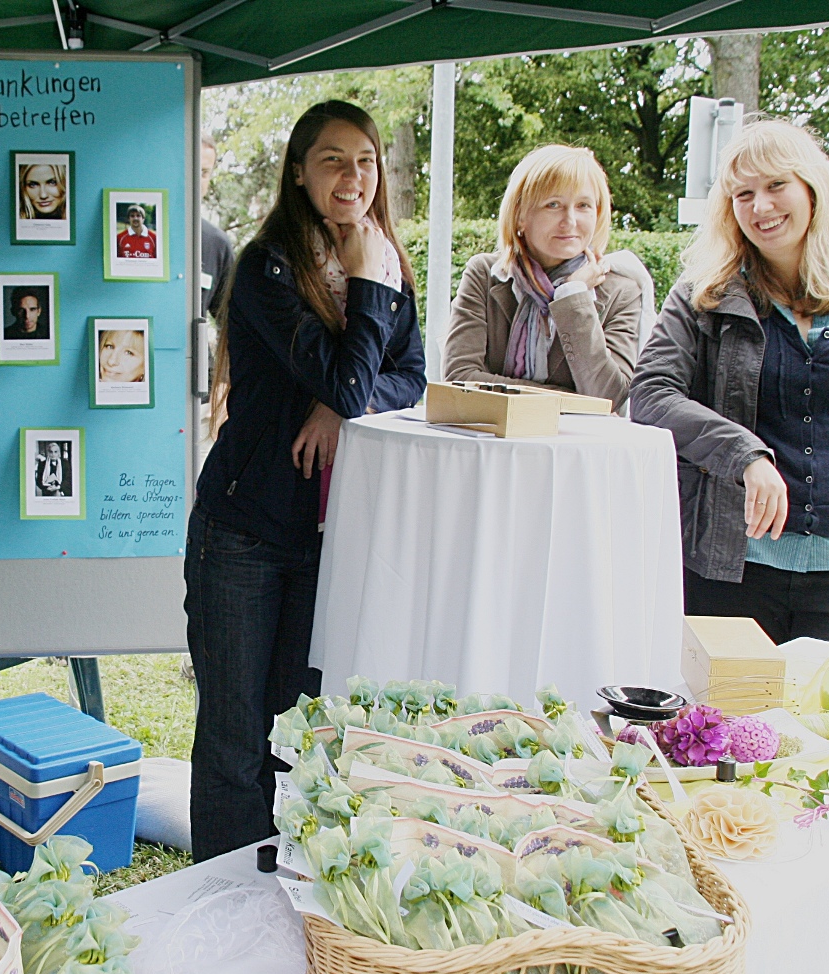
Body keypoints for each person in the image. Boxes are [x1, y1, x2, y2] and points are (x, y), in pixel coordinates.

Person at [186, 100, 425, 862]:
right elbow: (356, 382)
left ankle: (276, 887)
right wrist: (344, 379)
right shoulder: (269, 267)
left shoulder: (386, 261)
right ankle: (222, 898)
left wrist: (333, 403)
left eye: (365, 160)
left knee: (296, 729)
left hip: (328, 538)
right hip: (244, 533)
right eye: (332, 160)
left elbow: (410, 378)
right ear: (298, 172)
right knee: (233, 738)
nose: (352, 176)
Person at [631, 119, 829, 643]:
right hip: (732, 569)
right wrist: (745, 456)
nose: (760, 207)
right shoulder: (702, 296)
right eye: (743, 194)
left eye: (776, 185)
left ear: (813, 190)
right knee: (724, 724)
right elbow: (649, 394)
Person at [442, 144, 642, 407]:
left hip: (573, 446)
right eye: (553, 204)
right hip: (491, 440)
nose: (570, 220)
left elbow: (608, 397)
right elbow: (460, 379)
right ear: (520, 216)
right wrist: (570, 399)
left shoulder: (620, 291)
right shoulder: (485, 275)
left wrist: (573, 297)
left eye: (583, 205)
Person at [200, 133, 235, 317]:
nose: (196, 181)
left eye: (204, 173)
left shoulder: (217, 243)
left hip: (193, 346)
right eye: (190, 170)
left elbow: (230, 321)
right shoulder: (151, 233)